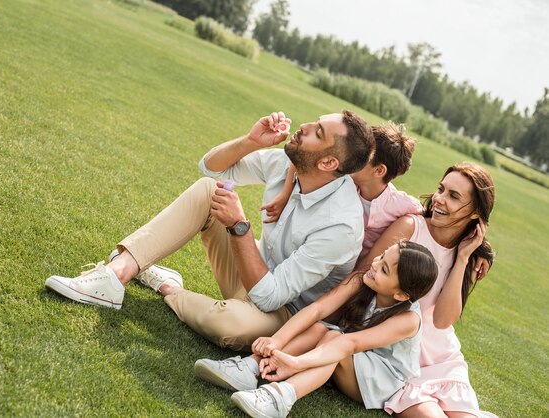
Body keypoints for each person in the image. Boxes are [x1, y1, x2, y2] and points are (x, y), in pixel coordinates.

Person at [45, 110, 375, 350]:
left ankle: (169, 289)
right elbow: (211, 166)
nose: (304, 126)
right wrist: (250, 141)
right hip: (255, 276)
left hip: (288, 316)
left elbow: (272, 295)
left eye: (317, 131)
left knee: (231, 325)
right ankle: (115, 276)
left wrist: (239, 225)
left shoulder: (341, 226)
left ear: (329, 164)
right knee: (209, 189)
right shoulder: (289, 165)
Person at [195, 241, 439, 417]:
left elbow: (349, 344)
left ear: (401, 294)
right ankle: (249, 368)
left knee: (334, 337)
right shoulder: (364, 279)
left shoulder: (408, 320)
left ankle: (281, 398)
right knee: (321, 329)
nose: (375, 264)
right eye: (382, 256)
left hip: (379, 381)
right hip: (347, 353)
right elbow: (318, 309)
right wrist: (276, 341)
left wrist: (296, 363)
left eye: (384, 269)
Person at [362, 163, 495, 417]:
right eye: (441, 189)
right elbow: (363, 275)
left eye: (453, 196)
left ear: (476, 213)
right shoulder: (410, 227)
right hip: (401, 357)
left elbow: (443, 320)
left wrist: (464, 258)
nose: (439, 199)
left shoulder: (466, 253)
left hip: (443, 360)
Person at [261, 122, 423, 261]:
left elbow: (426, 218)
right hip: (324, 255)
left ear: (379, 170)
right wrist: (285, 194)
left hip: (361, 269)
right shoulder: (343, 176)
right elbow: (303, 158)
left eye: (363, 156)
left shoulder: (402, 204)